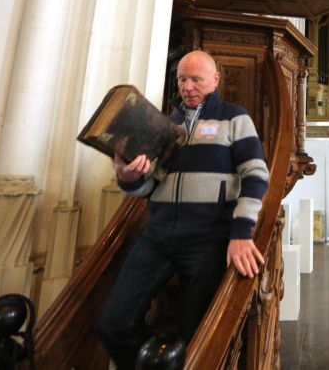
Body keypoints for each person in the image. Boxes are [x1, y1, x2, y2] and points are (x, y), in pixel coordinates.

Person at [97, 50, 269, 370]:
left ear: (216, 80)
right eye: (181, 79)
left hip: (208, 240)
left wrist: (242, 232)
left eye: (196, 79)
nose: (187, 86)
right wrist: (128, 177)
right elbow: (149, 187)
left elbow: (257, 176)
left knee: (197, 338)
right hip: (157, 236)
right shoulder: (166, 124)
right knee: (113, 323)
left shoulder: (235, 118)